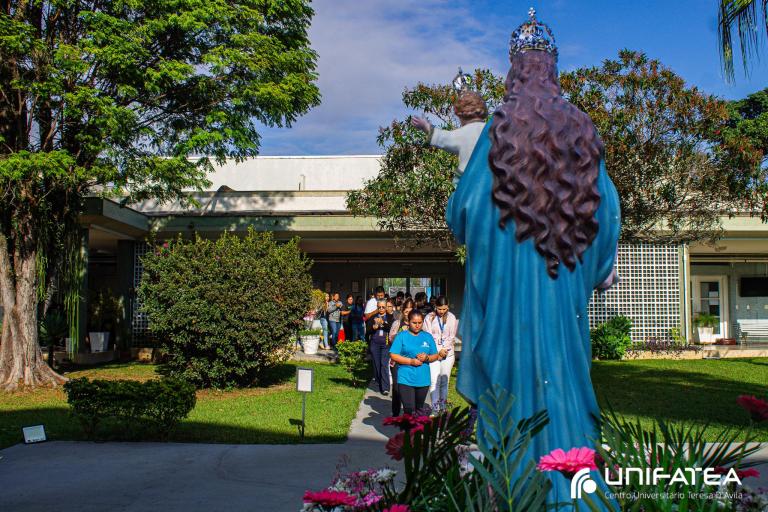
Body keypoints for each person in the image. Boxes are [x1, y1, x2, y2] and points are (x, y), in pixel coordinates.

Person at [445, 9, 620, 509]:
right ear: (554, 70)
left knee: (511, 395)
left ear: (514, 72)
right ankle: (575, 489)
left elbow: (466, 210)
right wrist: (594, 262)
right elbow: (607, 208)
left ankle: (519, 492)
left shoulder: (498, 128)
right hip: (561, 286)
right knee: (566, 379)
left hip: (507, 296)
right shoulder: (581, 128)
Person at [411, 68, 488, 185]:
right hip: (490, 179)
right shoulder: (492, 129)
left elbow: (443, 137)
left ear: (460, 114)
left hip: (467, 180)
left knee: (455, 201)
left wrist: (425, 126)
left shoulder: (463, 133)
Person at [389, 310, 447, 415]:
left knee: (419, 409)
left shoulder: (427, 337)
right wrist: (411, 361)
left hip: (423, 379)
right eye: (414, 323)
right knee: (409, 408)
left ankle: (416, 431)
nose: (417, 325)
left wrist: (427, 358)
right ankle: (407, 430)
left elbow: (435, 355)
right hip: (405, 377)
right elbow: (393, 354)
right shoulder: (402, 336)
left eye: (420, 323)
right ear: (408, 322)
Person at [423, 296, 458, 413]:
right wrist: (438, 351)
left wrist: (444, 349)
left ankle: (442, 407)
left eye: (444, 309)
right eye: (439, 309)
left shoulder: (452, 317)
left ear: (447, 307)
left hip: (447, 354)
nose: (442, 311)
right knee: (434, 381)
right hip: (434, 353)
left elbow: (451, 336)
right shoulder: (429, 317)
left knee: (444, 381)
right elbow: (427, 336)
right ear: (435, 307)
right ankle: (435, 409)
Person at [389, 298, 416, 416]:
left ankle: (408, 412)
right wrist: (400, 335)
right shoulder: (397, 323)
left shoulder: (418, 325)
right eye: (406, 311)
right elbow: (390, 339)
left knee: (410, 387)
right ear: (403, 311)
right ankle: (395, 412)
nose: (408, 314)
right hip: (397, 361)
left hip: (412, 361)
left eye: (411, 311)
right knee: (397, 387)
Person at [366, 300, 393, 394]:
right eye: (379, 307)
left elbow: (391, 328)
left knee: (384, 364)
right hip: (375, 344)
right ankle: (379, 380)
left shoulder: (390, 317)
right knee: (377, 365)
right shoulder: (373, 317)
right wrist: (373, 327)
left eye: (383, 307)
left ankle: (385, 388)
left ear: (386, 307)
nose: (381, 309)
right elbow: (368, 331)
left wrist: (383, 323)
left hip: (386, 344)